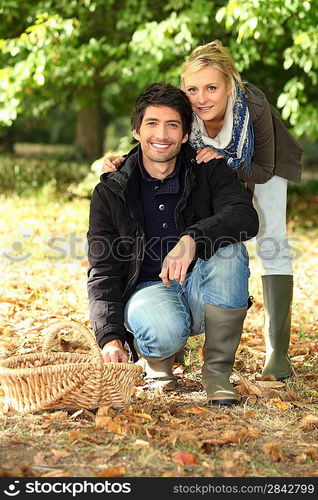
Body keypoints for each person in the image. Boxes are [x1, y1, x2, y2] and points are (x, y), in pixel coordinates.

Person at [101, 41, 303, 381]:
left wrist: (222, 164)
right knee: (199, 228)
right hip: (215, 169)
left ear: (230, 85)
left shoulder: (253, 107)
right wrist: (124, 161)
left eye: (212, 87)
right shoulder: (186, 108)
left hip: (261, 163)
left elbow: (262, 169)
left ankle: (277, 352)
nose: (202, 97)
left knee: (272, 241)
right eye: (192, 88)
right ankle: (170, 328)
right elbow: (158, 135)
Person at [87, 82, 259, 406]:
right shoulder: (111, 191)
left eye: (172, 125)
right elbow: (103, 270)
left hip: (201, 288)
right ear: (137, 131)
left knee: (230, 251)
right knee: (162, 327)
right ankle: (158, 364)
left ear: (184, 135)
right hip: (148, 291)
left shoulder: (208, 168)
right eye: (152, 123)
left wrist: (194, 238)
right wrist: (109, 337)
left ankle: (217, 372)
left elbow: (244, 216)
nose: (161, 134)